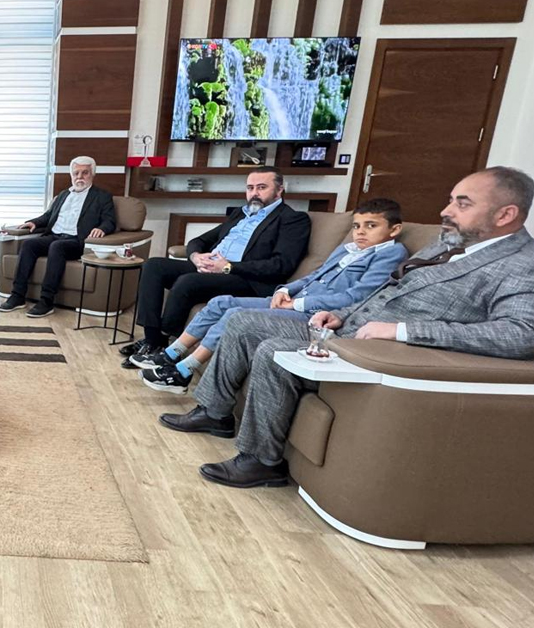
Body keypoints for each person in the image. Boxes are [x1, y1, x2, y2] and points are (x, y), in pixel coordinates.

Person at [159, 168, 534, 489]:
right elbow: (385, 290)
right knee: (242, 320)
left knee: (273, 349)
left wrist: (402, 331)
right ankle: (215, 411)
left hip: (386, 351)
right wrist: (341, 314)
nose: (445, 211)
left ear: (506, 214)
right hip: (348, 326)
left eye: (462, 204)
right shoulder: (447, 244)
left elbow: (522, 334)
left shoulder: (521, 265)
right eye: (450, 201)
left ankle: (261, 461)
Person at [137, 198, 408, 393]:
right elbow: (313, 275)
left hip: (314, 314)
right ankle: (170, 355)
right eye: (357, 226)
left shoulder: (391, 254)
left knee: (234, 313)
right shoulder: (347, 249)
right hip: (291, 300)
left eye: (370, 226)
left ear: (394, 229)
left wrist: (298, 302)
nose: (360, 232)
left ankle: (184, 371)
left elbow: (357, 296)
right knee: (220, 302)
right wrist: (285, 290)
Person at [122, 166, 311, 368]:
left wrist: (228, 267)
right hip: (214, 268)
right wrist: (196, 257)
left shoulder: (293, 219)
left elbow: (280, 265)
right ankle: (152, 340)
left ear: (279, 190)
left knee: (188, 281)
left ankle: (166, 342)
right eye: (250, 188)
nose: (254, 193)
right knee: (154, 266)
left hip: (246, 279)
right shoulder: (241, 213)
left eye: (261, 187)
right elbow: (200, 240)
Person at [0, 156, 117, 318]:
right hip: (54, 236)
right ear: (71, 175)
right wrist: (33, 222)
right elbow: (48, 216)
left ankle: (46, 301)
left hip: (76, 241)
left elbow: (110, 221)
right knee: (29, 244)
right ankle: (18, 296)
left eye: (85, 173)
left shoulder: (102, 196)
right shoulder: (63, 195)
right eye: (76, 173)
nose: (80, 177)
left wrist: (101, 228)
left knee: (57, 247)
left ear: (92, 174)